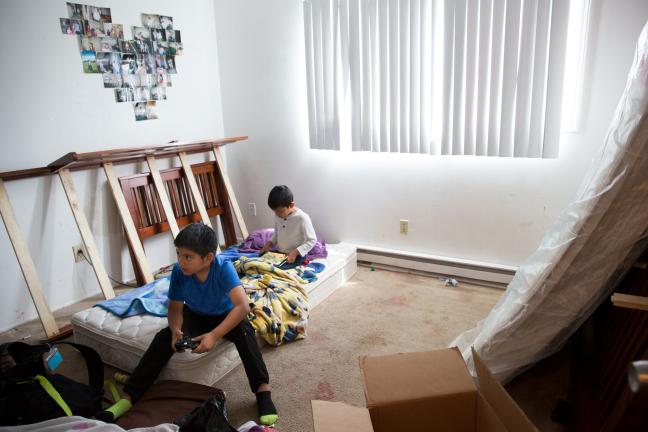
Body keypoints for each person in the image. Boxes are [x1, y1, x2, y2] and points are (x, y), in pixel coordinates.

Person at [98, 223, 279, 425]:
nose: (181, 261)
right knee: (164, 337)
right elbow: (175, 308)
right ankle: (129, 396)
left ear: (208, 258)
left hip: (226, 314)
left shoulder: (223, 268)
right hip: (196, 314)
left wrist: (214, 335)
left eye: (188, 257)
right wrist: (176, 330)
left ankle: (263, 391)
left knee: (246, 333)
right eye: (179, 254)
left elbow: (242, 306)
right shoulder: (178, 272)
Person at [260, 185, 317, 269]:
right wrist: (269, 243)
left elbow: (312, 240)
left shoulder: (302, 218)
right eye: (274, 211)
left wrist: (296, 252)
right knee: (262, 264)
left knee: (279, 270)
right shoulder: (278, 216)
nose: (277, 214)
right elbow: (276, 234)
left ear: (291, 205)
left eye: (280, 211)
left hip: (296, 255)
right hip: (280, 253)